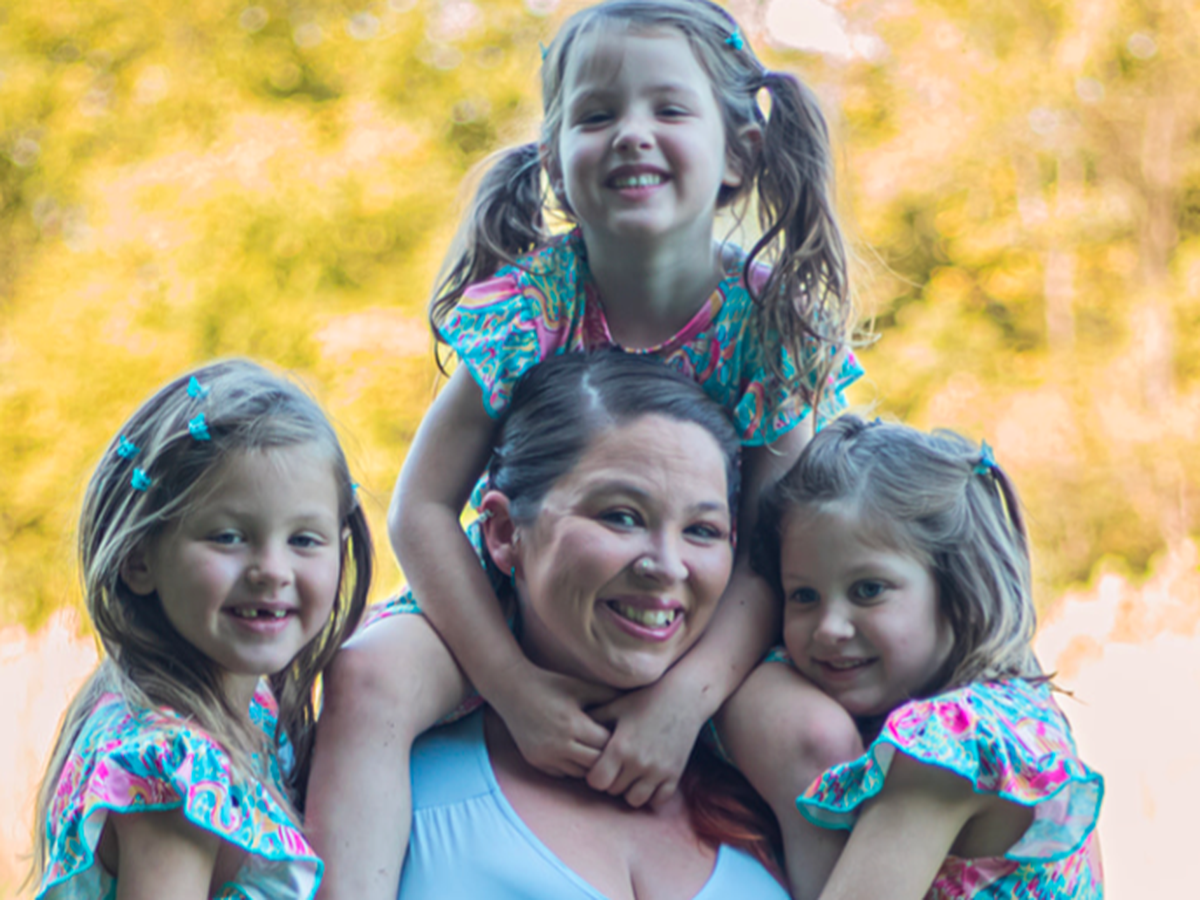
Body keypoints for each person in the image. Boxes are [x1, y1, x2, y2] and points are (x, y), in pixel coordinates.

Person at [307, 2, 863, 896]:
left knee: (816, 736)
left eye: (668, 109)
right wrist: (511, 685)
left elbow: (774, 549)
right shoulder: (531, 304)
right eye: (597, 114)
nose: (632, 134)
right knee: (368, 676)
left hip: (712, 620)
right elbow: (420, 508)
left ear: (740, 154)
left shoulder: (768, 326)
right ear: (556, 162)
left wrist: (684, 703)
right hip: (508, 610)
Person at [398, 350, 788, 899]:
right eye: (621, 517)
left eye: (702, 530)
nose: (668, 566)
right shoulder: (393, 782)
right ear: (506, 532)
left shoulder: (784, 778)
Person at [30, 360, 372, 900]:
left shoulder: (245, 706)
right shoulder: (174, 768)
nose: (273, 570)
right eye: (229, 536)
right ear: (139, 560)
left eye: (304, 540)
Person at [752, 416, 1105, 900]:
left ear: (958, 587)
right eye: (804, 595)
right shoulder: (1023, 710)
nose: (829, 627)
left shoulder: (949, 747)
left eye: (869, 590)